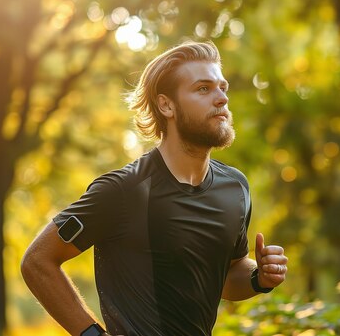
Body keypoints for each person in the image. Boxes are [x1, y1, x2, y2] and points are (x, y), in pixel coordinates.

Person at [21, 41, 288, 336]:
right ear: (166, 105)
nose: (221, 98)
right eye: (203, 88)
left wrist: (259, 277)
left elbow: (226, 276)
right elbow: (37, 261)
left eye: (222, 87)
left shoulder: (234, 188)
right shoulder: (123, 190)